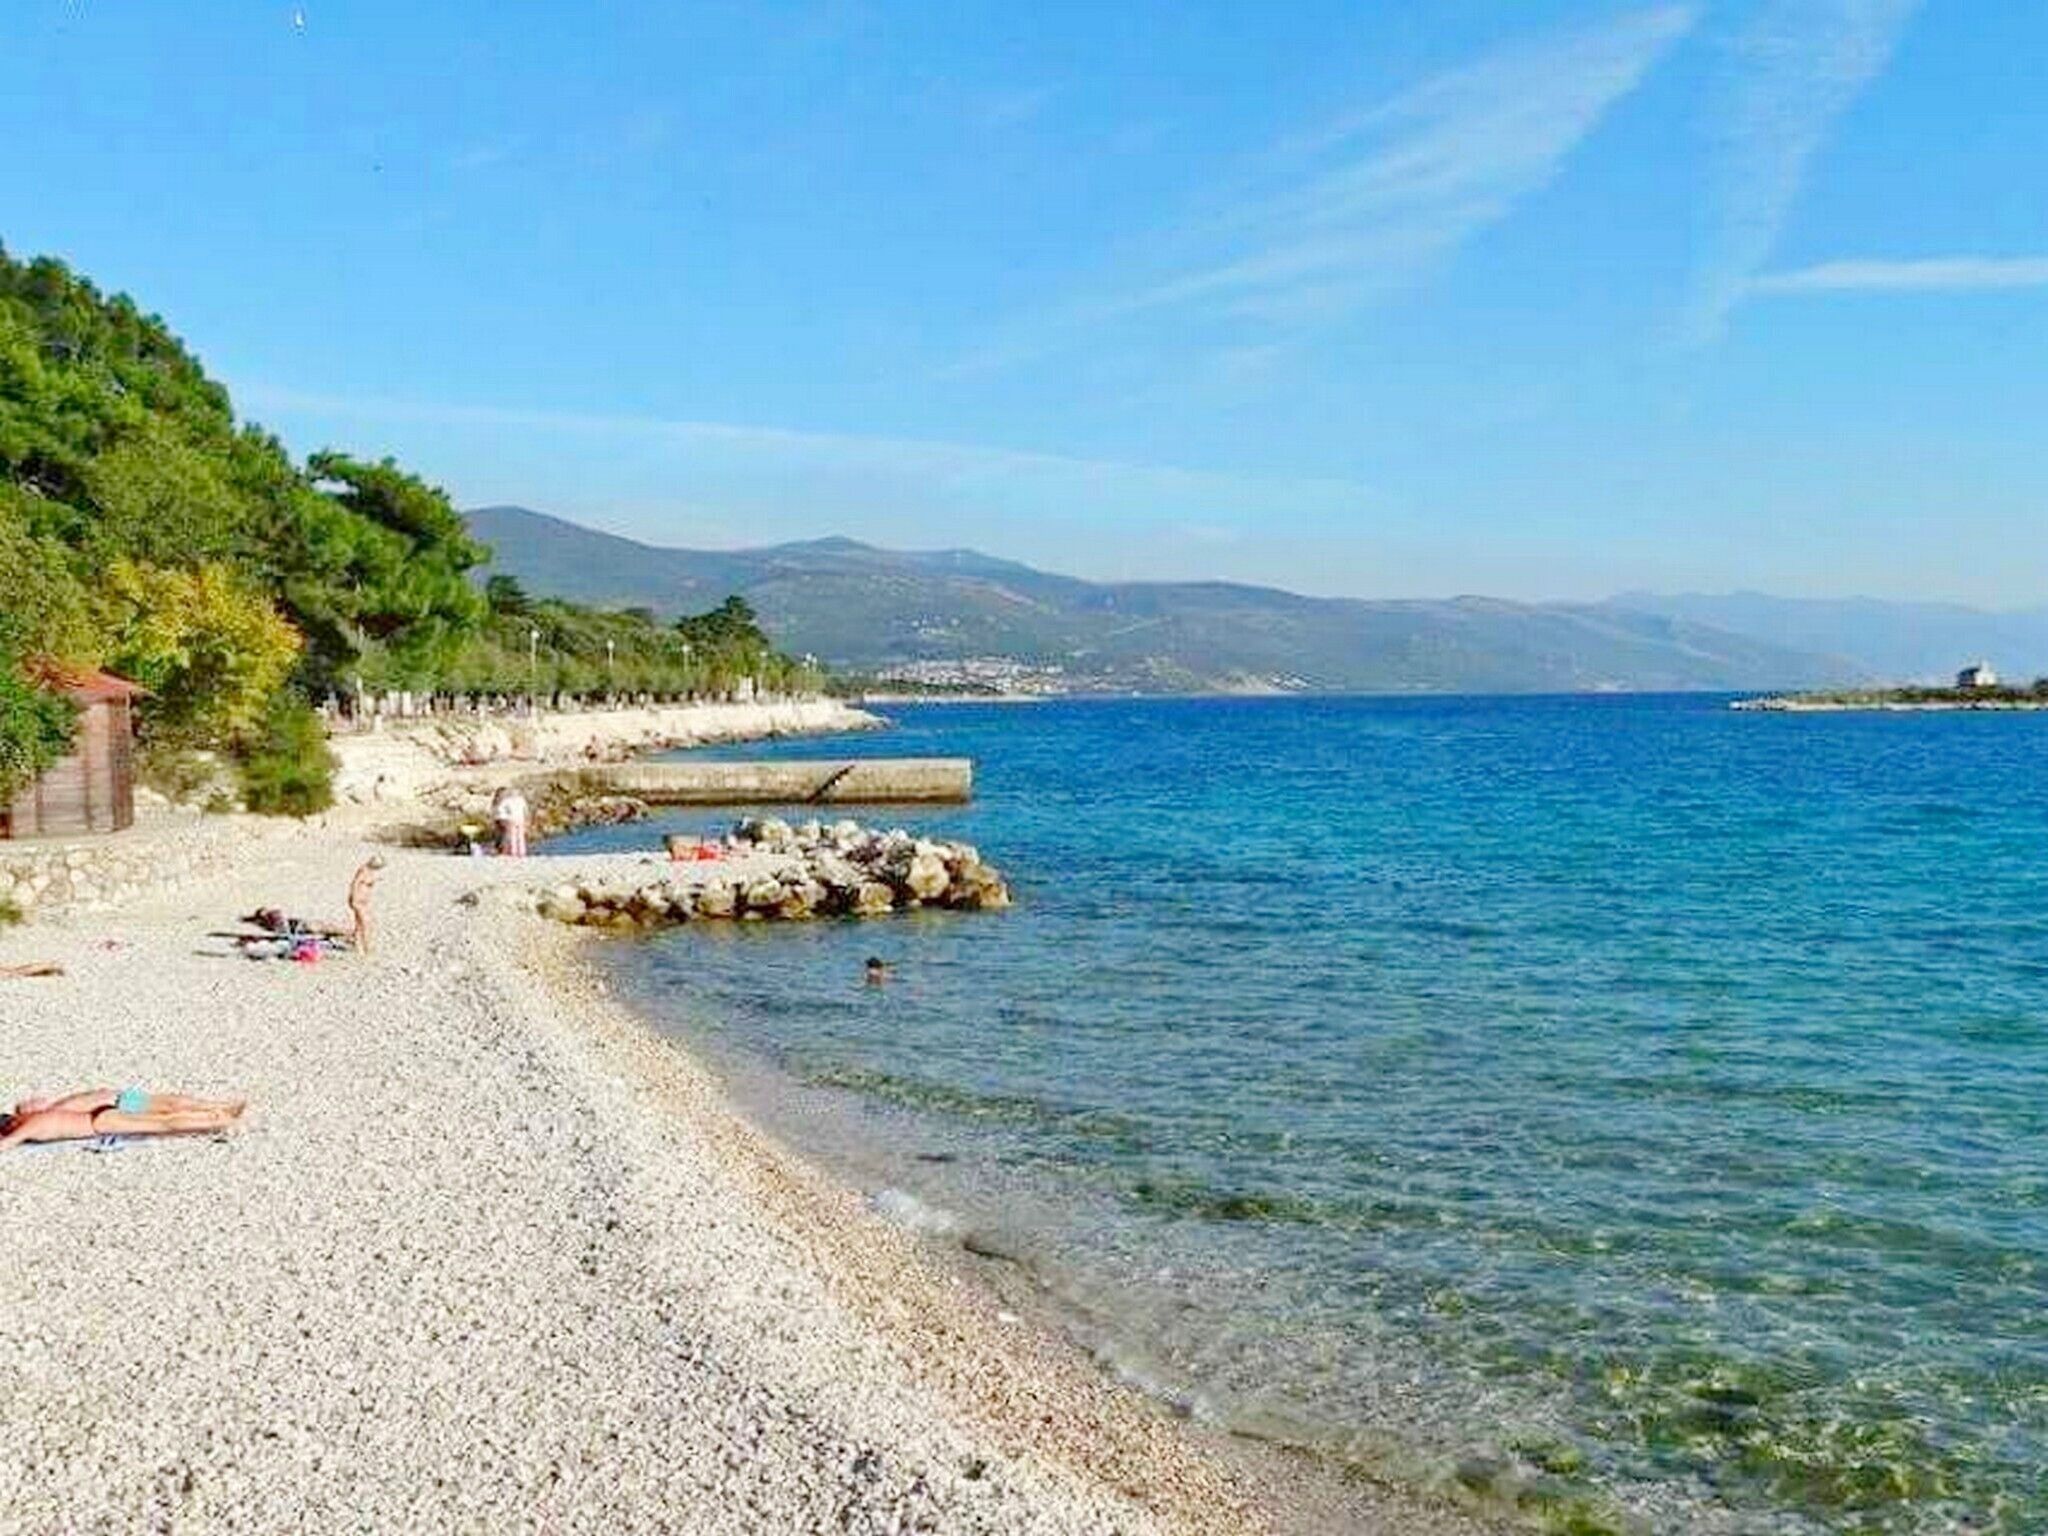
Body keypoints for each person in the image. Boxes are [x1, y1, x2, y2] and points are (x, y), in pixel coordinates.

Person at [2, 1087, 246, 1150]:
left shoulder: (34, 1122)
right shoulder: (44, 1115)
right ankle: (218, 1112)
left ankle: (219, 1116)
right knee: (168, 1108)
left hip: (103, 1118)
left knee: (166, 1120)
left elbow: (7, 1143)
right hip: (114, 1103)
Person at [347, 855, 384, 955]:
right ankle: (366, 947)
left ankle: (358, 945)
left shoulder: (370, 872)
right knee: (365, 923)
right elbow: (355, 884)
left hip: (364, 900)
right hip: (358, 900)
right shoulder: (363, 870)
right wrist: (352, 897)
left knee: (360, 923)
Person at [492, 785, 529, 858]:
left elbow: (500, 808)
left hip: (511, 819)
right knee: (520, 836)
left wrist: (506, 815)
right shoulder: (521, 800)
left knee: (512, 836)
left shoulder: (508, 800)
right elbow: (526, 810)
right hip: (520, 819)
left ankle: (513, 851)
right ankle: (522, 851)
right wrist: (526, 818)